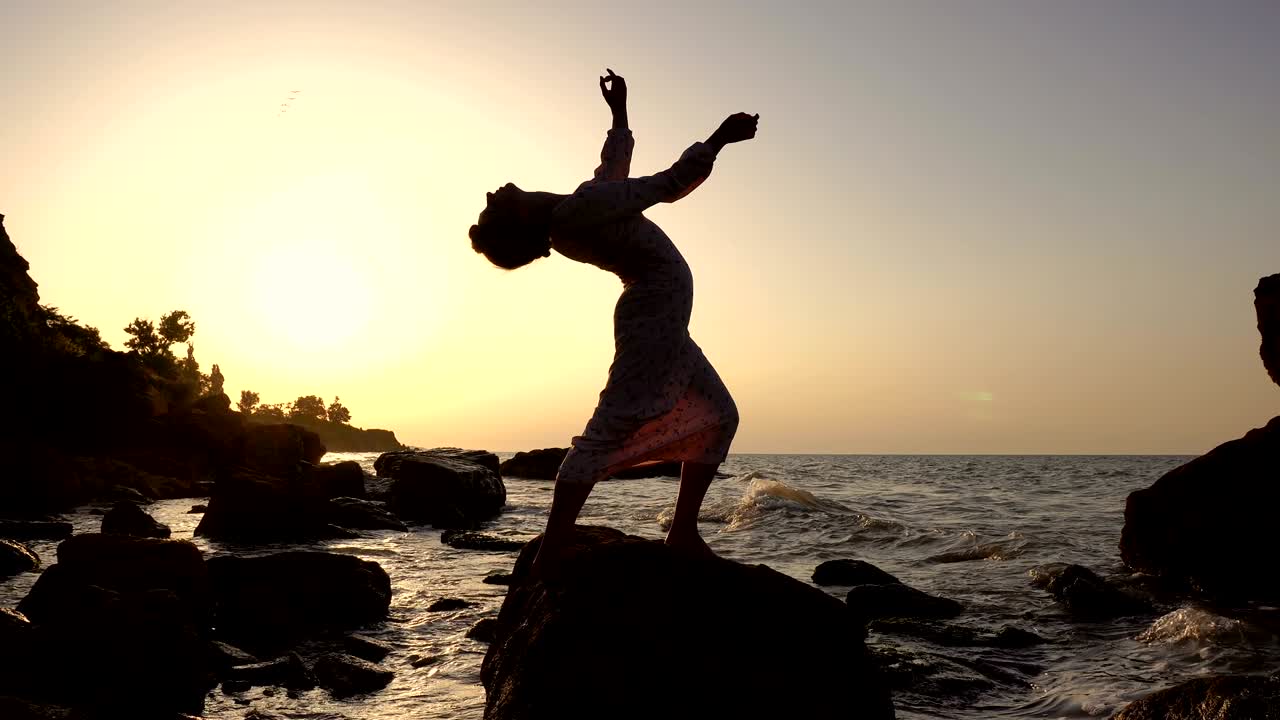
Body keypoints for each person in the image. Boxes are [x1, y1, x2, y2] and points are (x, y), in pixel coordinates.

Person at [469, 69, 757, 576]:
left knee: (719, 413)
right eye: (494, 206)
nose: (493, 193)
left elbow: (613, 171)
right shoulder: (577, 213)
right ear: (518, 219)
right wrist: (720, 138)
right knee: (609, 428)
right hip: (653, 317)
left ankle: (682, 532)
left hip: (660, 316)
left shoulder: (575, 212)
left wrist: (619, 110)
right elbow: (667, 185)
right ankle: (555, 544)